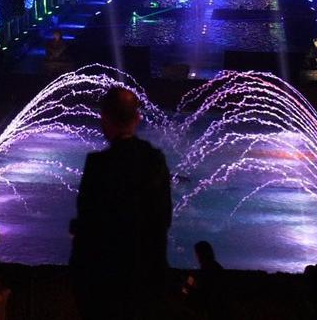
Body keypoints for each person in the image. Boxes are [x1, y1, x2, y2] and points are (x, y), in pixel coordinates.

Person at [70, 87, 172, 320]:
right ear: (137, 119)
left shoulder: (98, 165)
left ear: (104, 119)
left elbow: (87, 224)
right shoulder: (155, 160)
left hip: (105, 283)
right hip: (147, 279)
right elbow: (164, 218)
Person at [182, 241, 227, 319]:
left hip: (210, 309)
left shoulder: (208, 268)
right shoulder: (214, 267)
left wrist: (188, 286)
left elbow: (203, 290)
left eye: (197, 253)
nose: (196, 256)